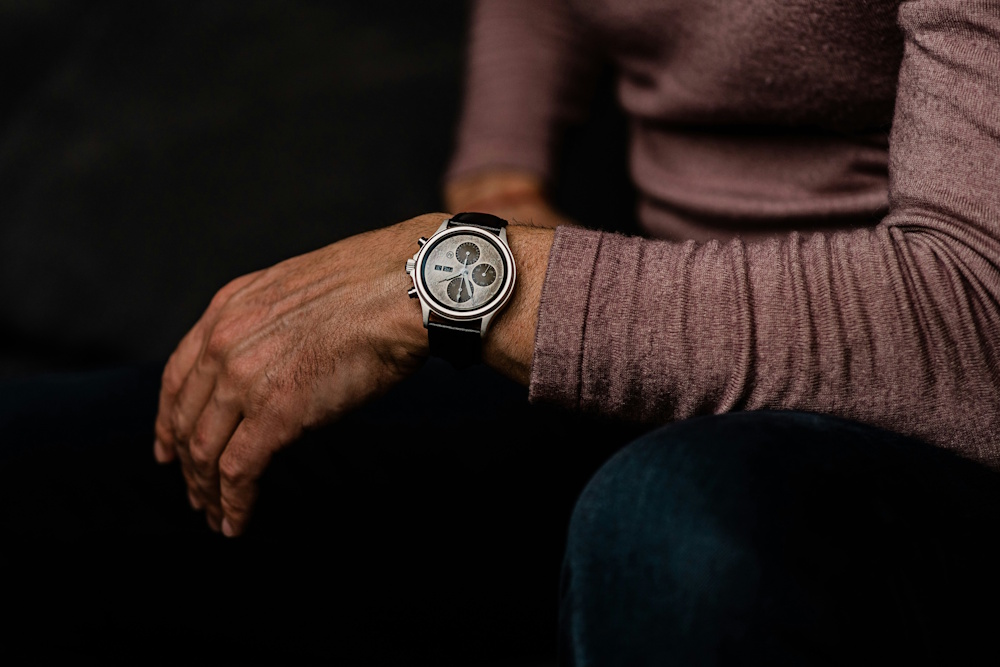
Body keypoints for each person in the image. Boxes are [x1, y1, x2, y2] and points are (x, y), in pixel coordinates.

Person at [9, 0, 1000, 663]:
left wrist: (459, 274)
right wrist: (499, 171)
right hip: (644, 341)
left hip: (913, 416)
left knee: (675, 531)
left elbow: (971, 313)